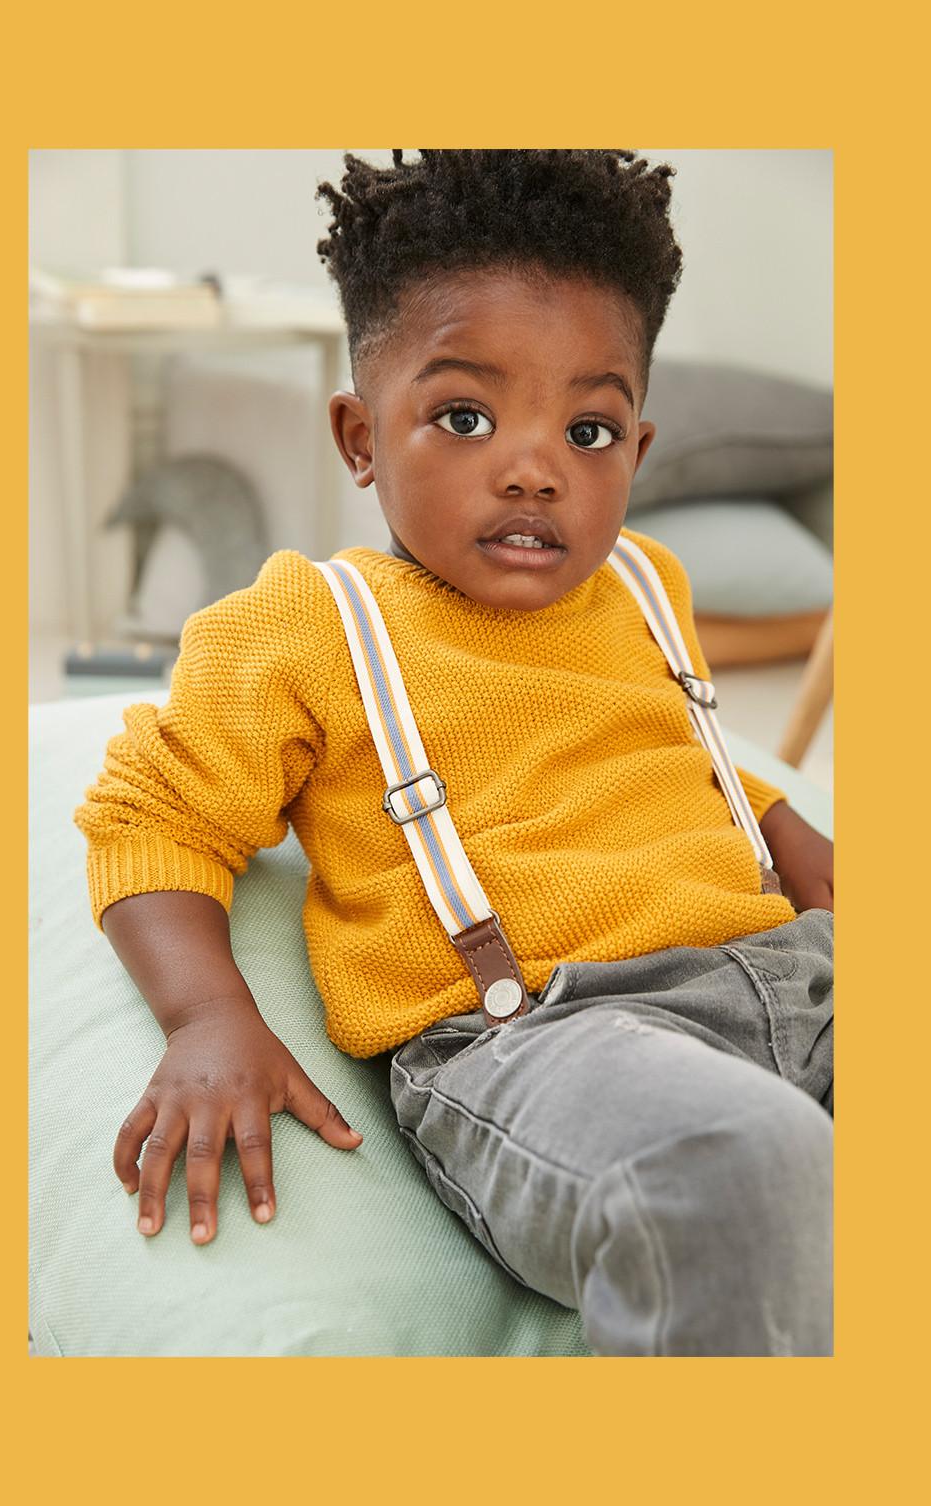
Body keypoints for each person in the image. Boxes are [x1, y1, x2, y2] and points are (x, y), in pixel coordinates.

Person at [74, 149, 833, 1356]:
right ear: (361, 436)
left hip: (793, 972)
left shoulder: (647, 582)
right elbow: (152, 816)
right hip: (546, 1039)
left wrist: (783, 826)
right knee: (734, 1165)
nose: (535, 466)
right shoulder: (307, 627)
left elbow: (664, 747)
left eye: (588, 429)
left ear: (637, 451)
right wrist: (208, 1017)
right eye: (465, 416)